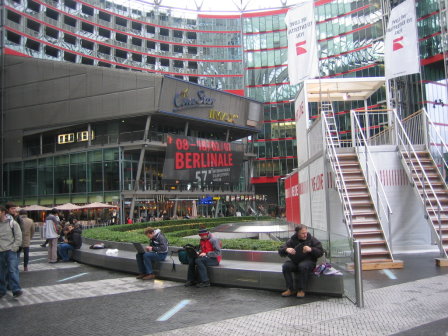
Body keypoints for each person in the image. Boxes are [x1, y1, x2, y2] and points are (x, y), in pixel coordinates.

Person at [278, 224, 324, 298]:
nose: (305, 235)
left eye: (306, 232)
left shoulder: (312, 239)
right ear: (297, 233)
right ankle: (290, 289)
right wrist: (286, 249)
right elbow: (280, 250)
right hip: (296, 262)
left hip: (309, 262)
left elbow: (320, 252)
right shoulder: (292, 240)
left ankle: (301, 290)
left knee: (303, 266)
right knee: (286, 266)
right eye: (302, 233)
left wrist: (311, 249)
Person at [0, 206, 23, 298]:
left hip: (10, 250)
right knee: (1, 272)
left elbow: (18, 236)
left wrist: (14, 248)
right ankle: (2, 290)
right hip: (0, 251)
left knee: (12, 270)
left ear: (3, 212)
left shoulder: (12, 223)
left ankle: (16, 289)